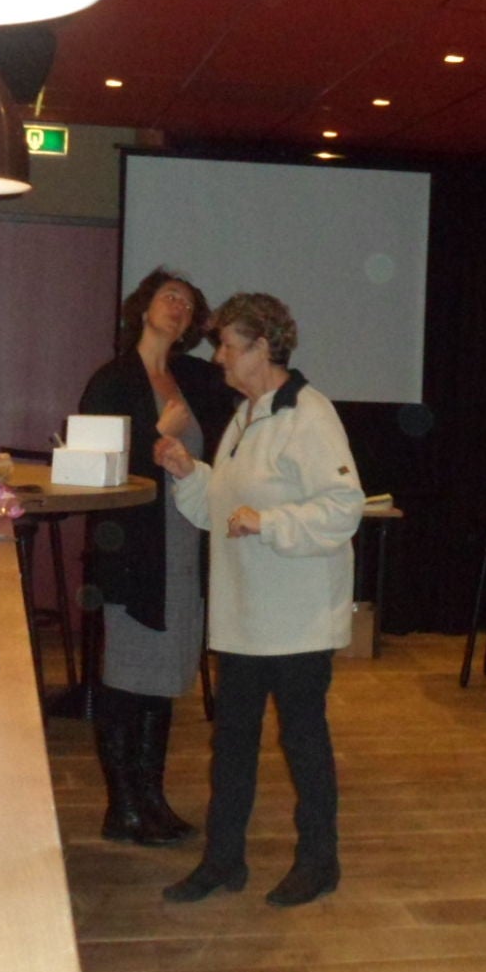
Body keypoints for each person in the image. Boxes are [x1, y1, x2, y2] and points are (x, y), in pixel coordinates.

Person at [153, 292, 364, 907]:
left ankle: (320, 862)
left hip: (297, 620)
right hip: (245, 616)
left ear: (263, 347)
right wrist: (189, 472)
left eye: (227, 345)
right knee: (232, 745)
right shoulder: (248, 415)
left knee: (304, 743)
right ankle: (223, 861)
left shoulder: (309, 414)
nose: (218, 356)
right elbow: (226, 509)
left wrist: (269, 523)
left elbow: (342, 508)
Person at [78, 269, 232, 847]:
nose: (178, 307)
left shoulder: (194, 377)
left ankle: (152, 798)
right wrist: (155, 434)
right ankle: (122, 807)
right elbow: (93, 467)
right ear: (143, 307)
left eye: (188, 304)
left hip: (184, 545)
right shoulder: (113, 379)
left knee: (164, 676)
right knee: (127, 677)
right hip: (134, 547)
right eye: (169, 297)